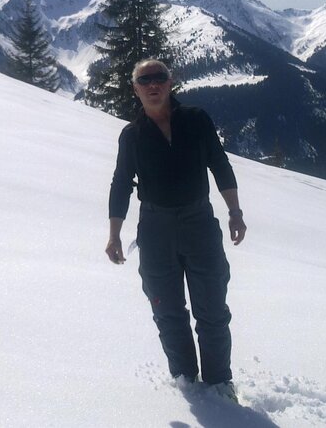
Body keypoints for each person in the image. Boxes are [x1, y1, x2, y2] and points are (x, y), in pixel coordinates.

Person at [105, 59, 246, 401]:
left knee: (212, 308)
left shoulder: (196, 120)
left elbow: (219, 164)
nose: (153, 84)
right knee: (166, 310)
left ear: (170, 83)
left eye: (160, 78)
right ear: (135, 88)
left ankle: (219, 383)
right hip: (155, 230)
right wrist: (114, 234)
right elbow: (121, 183)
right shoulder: (132, 136)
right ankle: (185, 380)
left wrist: (235, 212)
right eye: (145, 80)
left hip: (199, 222)